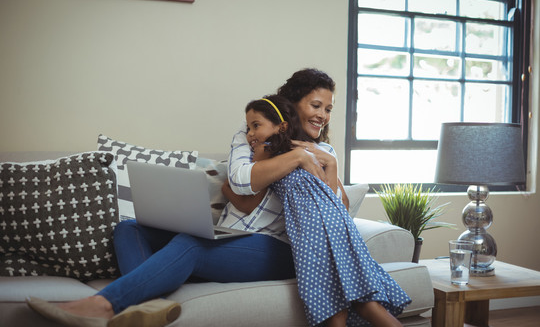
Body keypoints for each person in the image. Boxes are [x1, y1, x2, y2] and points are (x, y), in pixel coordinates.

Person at [24, 68, 335, 327]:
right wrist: (294, 158)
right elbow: (240, 182)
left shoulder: (324, 152)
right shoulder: (250, 135)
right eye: (316, 105)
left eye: (328, 109)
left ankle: (103, 305)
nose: (323, 116)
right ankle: (150, 305)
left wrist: (328, 164)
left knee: (190, 246)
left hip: (277, 247)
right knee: (128, 228)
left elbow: (338, 212)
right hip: (230, 235)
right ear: (292, 106)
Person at [241, 94, 410, 327]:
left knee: (339, 302)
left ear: (281, 126)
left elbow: (249, 202)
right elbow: (332, 194)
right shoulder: (307, 150)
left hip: (313, 227)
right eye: (248, 127)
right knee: (359, 299)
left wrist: (225, 188)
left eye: (255, 126)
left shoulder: (267, 151)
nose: (249, 134)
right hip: (339, 221)